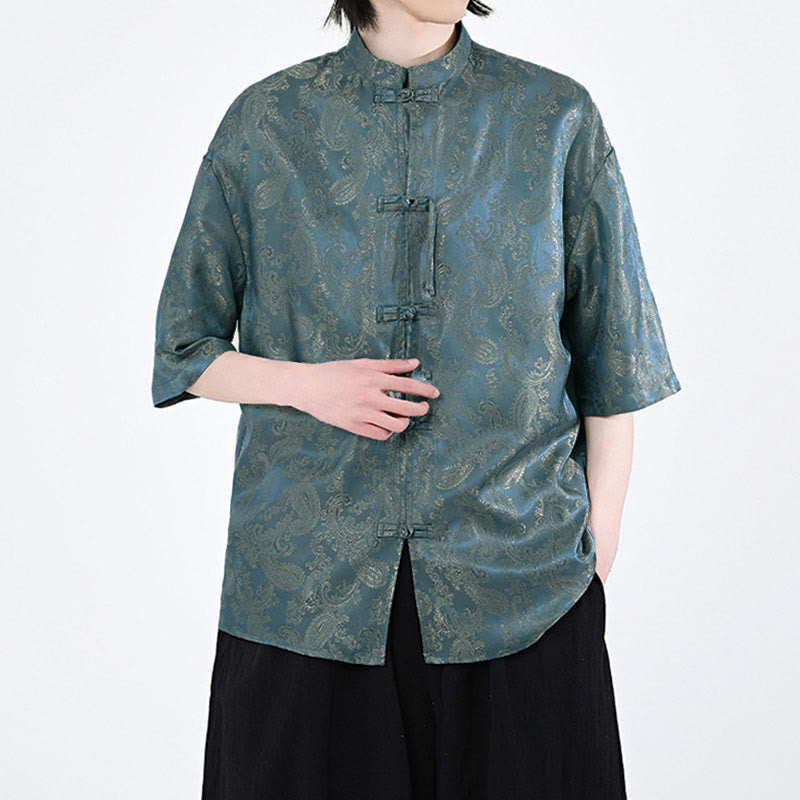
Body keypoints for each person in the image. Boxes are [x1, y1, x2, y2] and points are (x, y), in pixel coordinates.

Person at [151, 1, 682, 798]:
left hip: (522, 586)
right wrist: (308, 385)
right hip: (306, 591)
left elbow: (618, 359)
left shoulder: (554, 119)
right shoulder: (267, 123)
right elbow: (182, 348)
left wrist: (594, 556)